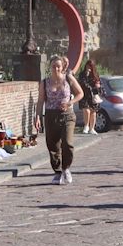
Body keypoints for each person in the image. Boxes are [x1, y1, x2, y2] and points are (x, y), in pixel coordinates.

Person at [41, 54, 85, 185]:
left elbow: (80, 93)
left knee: (68, 143)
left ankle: (66, 168)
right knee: (52, 145)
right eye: (54, 66)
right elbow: (40, 101)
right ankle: (58, 172)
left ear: (62, 67)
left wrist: (70, 102)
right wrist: (37, 116)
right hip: (50, 115)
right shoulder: (44, 82)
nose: (56, 69)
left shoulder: (68, 79)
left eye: (58, 66)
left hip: (67, 115)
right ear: (50, 67)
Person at [78, 56, 102, 134]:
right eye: (87, 66)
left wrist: (98, 87)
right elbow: (82, 83)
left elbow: (99, 84)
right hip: (85, 95)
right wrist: (86, 75)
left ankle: (92, 128)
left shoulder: (95, 75)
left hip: (93, 96)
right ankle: (86, 126)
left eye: (90, 67)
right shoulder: (82, 74)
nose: (88, 68)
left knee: (93, 112)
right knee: (87, 110)